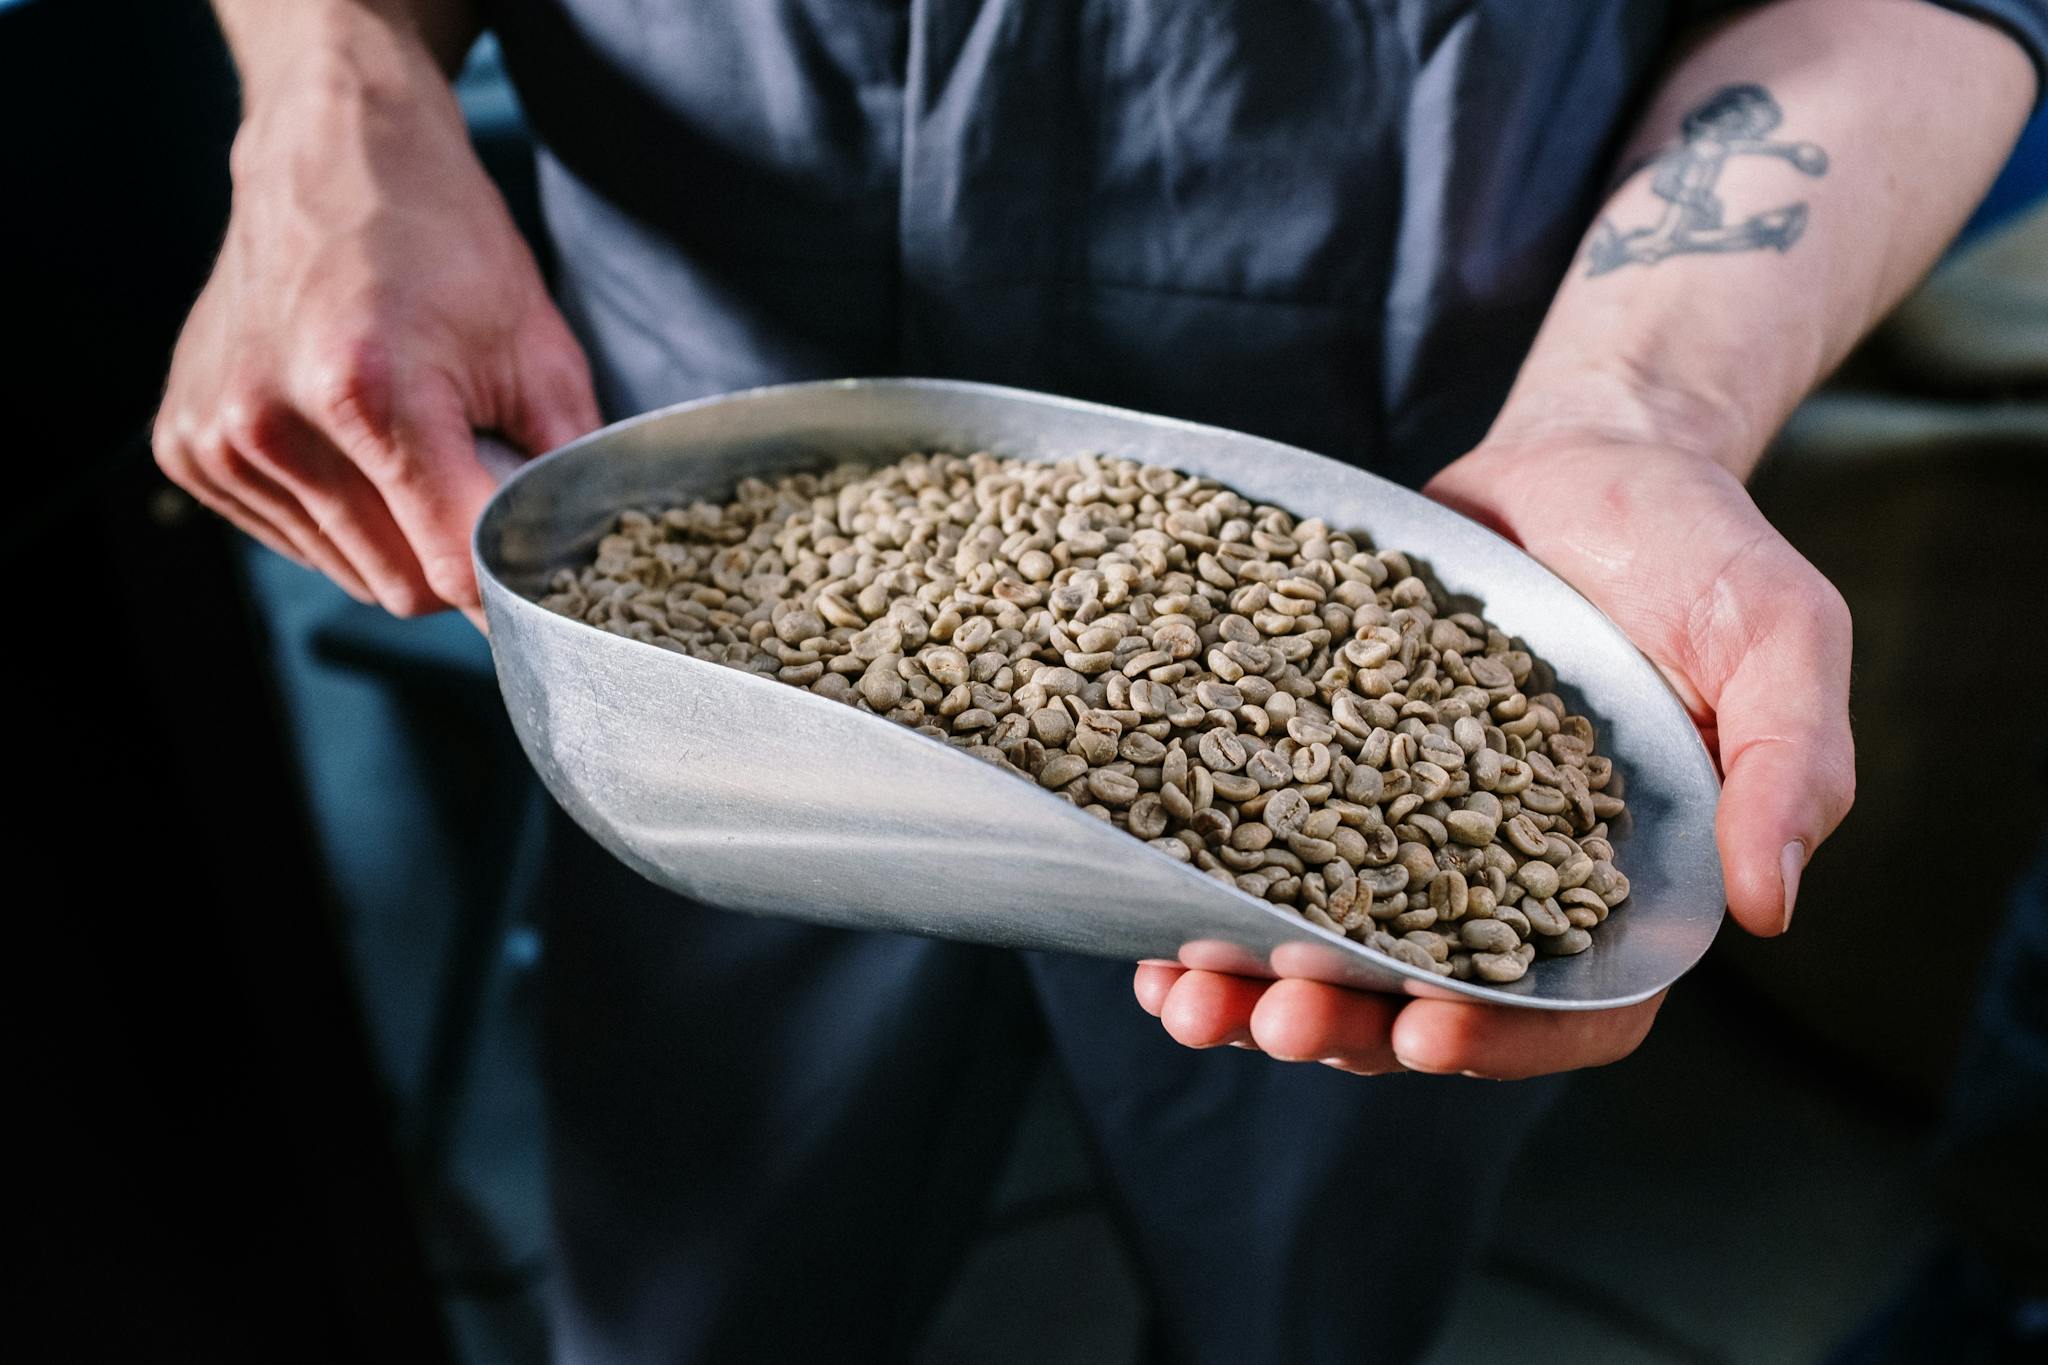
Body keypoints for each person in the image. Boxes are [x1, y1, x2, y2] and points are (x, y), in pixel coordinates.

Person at [153, 1, 2044, 1360]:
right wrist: (337, 97)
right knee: (701, 1263)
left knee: (1304, 1287)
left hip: (1451, 488)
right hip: (727, 568)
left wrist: (1643, 404)